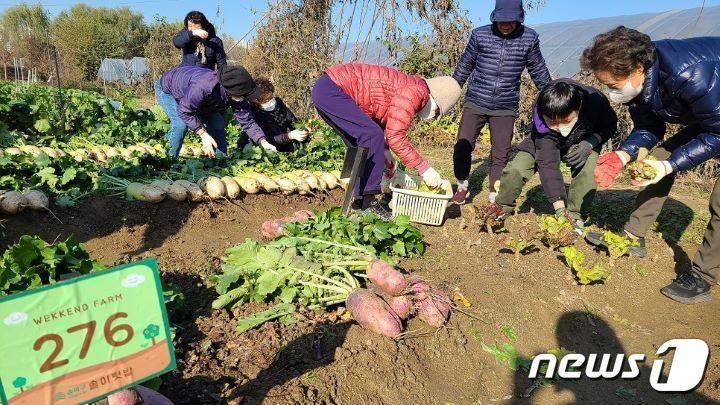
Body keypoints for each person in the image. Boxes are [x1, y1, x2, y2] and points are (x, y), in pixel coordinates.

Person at [580, 26, 720, 304]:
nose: (611, 94)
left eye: (613, 86)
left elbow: (718, 134)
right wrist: (625, 154)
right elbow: (649, 126)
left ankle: (703, 276)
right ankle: (633, 236)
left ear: (638, 69)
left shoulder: (692, 75)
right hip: (714, 118)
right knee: (655, 160)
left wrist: (671, 166)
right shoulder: (643, 80)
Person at [311, 63, 462, 219]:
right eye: (437, 113)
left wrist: (384, 151)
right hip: (332, 90)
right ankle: (368, 203)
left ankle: (359, 202)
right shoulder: (416, 92)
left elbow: (377, 119)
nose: (434, 118)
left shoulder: (412, 87)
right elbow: (395, 137)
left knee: (361, 142)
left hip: (325, 89)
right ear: (436, 101)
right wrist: (424, 169)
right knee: (372, 135)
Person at [451, 0, 551, 205]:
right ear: (494, 17)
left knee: (500, 153)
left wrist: (554, 96)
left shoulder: (529, 38)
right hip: (476, 100)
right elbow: (464, 67)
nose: (505, 25)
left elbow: (538, 71)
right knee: (463, 145)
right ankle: (462, 185)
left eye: (511, 21)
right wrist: (449, 93)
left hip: (505, 105)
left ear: (520, 17)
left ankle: (494, 193)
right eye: (501, 20)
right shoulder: (480, 35)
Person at [489, 79, 617, 230]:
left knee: (588, 172)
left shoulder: (595, 101)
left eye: (566, 120)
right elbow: (548, 164)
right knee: (516, 168)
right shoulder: (542, 116)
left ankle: (575, 216)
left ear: (579, 108)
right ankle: (502, 205)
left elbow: (610, 125)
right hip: (543, 141)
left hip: (583, 142)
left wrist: (589, 143)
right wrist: (559, 208)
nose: (559, 127)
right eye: (552, 122)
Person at [155, 64, 272, 158]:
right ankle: (167, 160)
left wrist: (263, 142)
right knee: (180, 125)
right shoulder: (203, 87)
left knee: (217, 124)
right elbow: (184, 111)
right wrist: (203, 134)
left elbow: (247, 121)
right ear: (231, 91)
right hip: (168, 89)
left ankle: (220, 161)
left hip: (201, 100)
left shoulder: (237, 93)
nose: (245, 98)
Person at [237, 77, 310, 152]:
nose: (270, 101)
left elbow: (292, 121)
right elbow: (267, 139)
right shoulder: (253, 113)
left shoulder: (278, 103)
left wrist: (303, 131)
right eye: (265, 100)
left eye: (271, 97)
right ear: (255, 101)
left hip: (282, 142)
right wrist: (289, 136)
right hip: (261, 148)